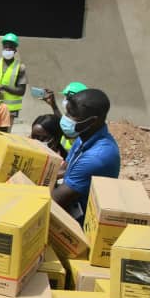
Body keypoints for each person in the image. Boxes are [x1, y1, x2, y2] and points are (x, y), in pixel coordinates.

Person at [52, 89, 120, 223]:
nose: (66, 118)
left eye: (72, 115)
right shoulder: (83, 137)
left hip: (80, 225)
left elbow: (55, 201)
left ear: (92, 121)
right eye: (67, 112)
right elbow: (64, 169)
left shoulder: (97, 158)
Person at [0, 32, 27, 119]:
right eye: (6, 46)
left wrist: (3, 87)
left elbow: (21, 91)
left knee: (5, 132)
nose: (8, 49)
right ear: (2, 48)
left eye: (11, 47)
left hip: (10, 109)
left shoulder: (20, 67)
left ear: (15, 50)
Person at [42, 81, 87, 153]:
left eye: (67, 97)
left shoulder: (83, 123)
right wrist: (54, 105)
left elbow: (68, 133)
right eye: (64, 96)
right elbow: (63, 124)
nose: (64, 100)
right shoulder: (72, 117)